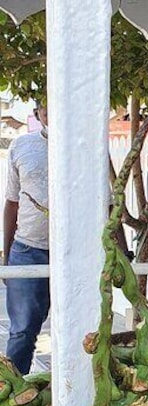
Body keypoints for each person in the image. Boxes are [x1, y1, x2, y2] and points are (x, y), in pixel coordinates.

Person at [3, 100, 50, 374]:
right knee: (22, 331)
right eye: (46, 109)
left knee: (80, 329)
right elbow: (11, 203)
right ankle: (11, 399)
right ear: (38, 114)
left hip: (76, 253)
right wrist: (7, 256)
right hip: (27, 249)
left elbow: (108, 205)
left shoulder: (85, 146)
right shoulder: (21, 146)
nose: (53, 114)